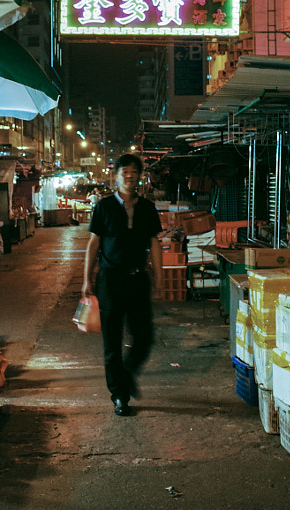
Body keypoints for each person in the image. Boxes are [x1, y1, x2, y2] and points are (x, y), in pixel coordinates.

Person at [83, 154, 163, 416]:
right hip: (110, 280)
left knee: (144, 336)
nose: (129, 175)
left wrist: (159, 277)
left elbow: (154, 243)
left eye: (134, 171)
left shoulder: (148, 208)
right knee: (112, 342)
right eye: (124, 171)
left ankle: (126, 373)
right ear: (116, 176)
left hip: (138, 278)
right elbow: (93, 244)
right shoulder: (103, 206)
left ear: (139, 176)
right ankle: (119, 396)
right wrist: (86, 279)